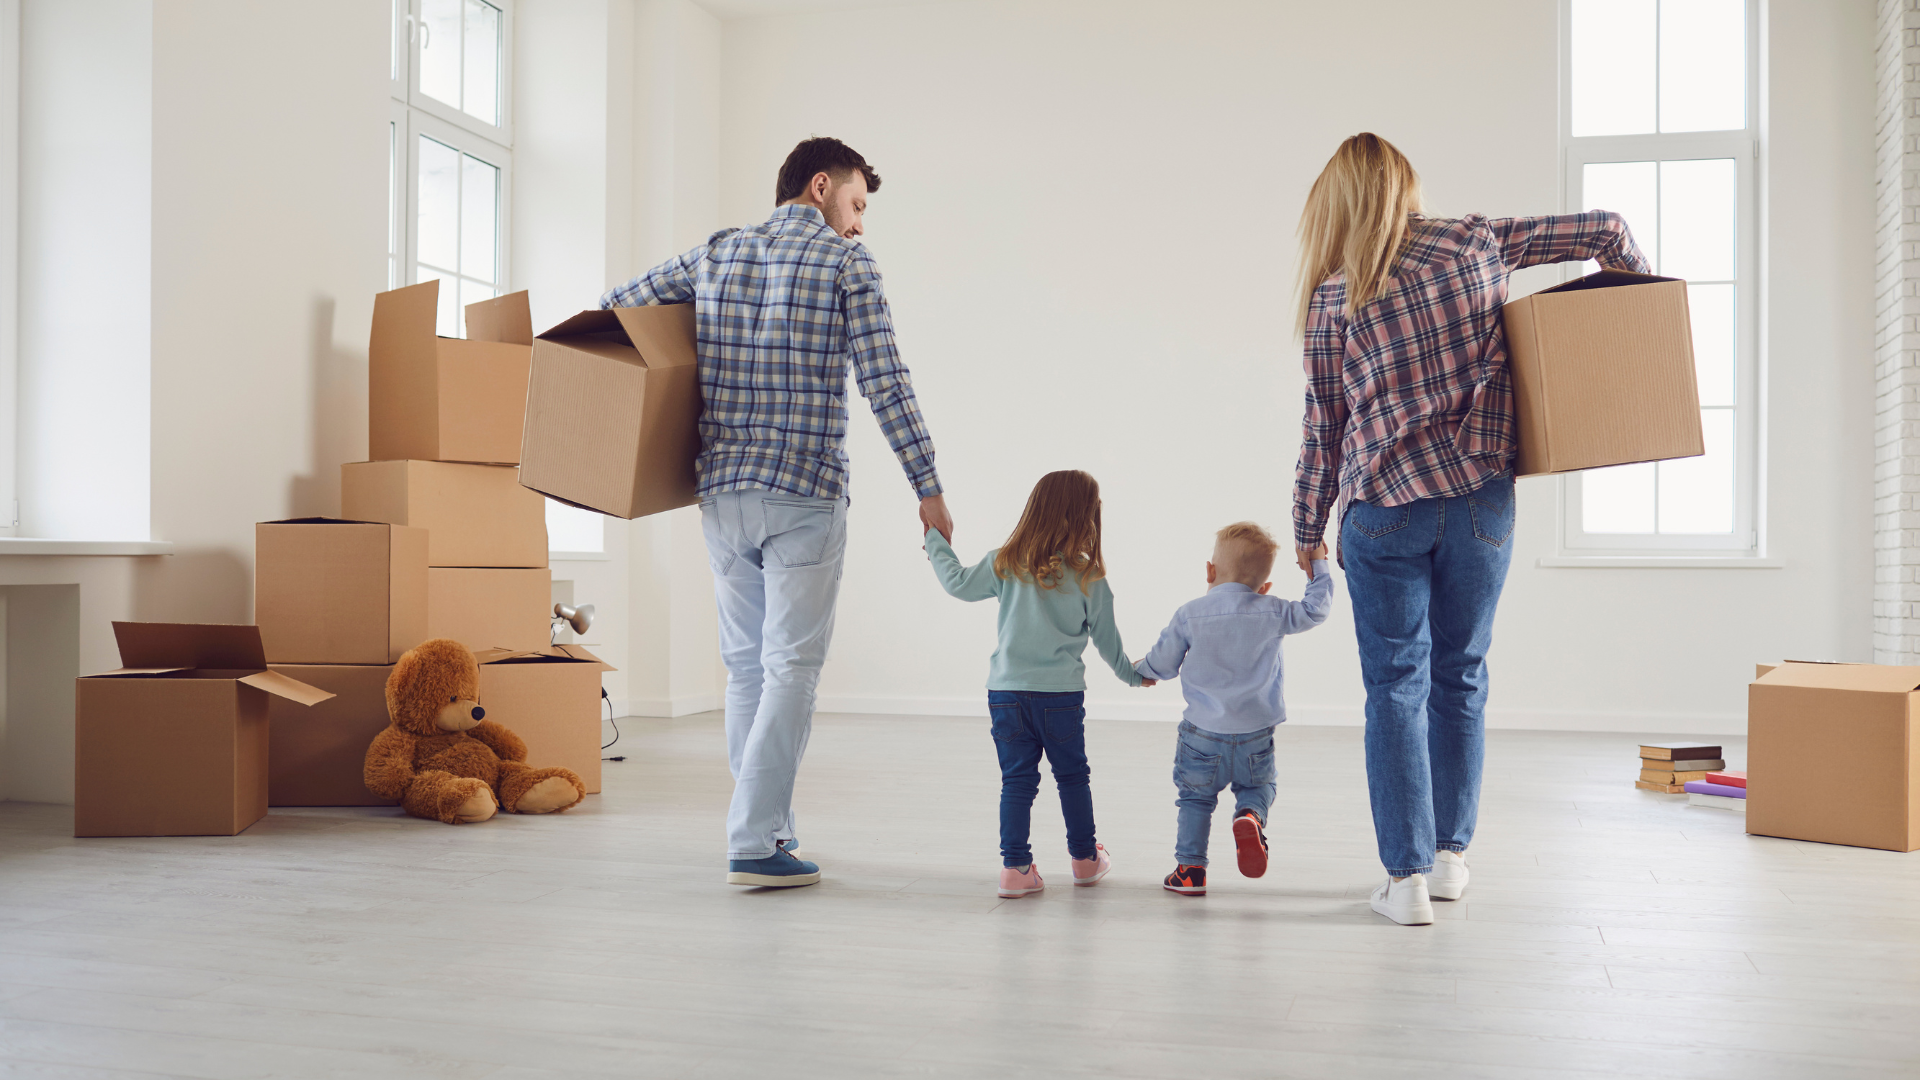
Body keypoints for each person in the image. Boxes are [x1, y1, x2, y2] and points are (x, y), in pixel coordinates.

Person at [1290, 133, 1651, 925]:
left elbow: (1326, 426)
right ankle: (1451, 859)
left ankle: (1406, 880)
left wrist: (1306, 526)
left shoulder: (1331, 296)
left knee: (1395, 688)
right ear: (1407, 188)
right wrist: (1632, 324)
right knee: (1462, 676)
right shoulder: (1477, 240)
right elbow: (1606, 229)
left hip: (1384, 509)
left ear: (1340, 203)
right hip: (1482, 503)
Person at [602, 136, 953, 889]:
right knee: (790, 667)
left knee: (745, 672)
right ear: (820, 187)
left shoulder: (715, 255)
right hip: (803, 492)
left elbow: (617, 308)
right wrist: (927, 485)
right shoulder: (845, 264)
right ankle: (755, 841)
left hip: (723, 493)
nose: (859, 224)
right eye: (857, 204)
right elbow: (885, 382)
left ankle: (769, 828)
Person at [922, 469, 1150, 898]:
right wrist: (1134, 676)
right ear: (1087, 517)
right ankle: (1085, 860)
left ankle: (1015, 869)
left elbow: (956, 583)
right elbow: (1108, 644)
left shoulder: (1004, 562)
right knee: (1072, 776)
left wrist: (935, 539)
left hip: (1005, 693)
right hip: (1060, 698)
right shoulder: (1089, 576)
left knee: (1017, 780)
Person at [1135, 522, 1333, 896]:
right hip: (1256, 734)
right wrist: (1318, 565)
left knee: (1195, 799)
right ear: (1265, 587)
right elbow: (1315, 611)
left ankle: (1191, 871)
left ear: (1210, 571)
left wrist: (1139, 671)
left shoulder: (1190, 613)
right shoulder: (1273, 610)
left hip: (1201, 735)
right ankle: (1250, 816)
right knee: (1259, 786)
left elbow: (1162, 663)